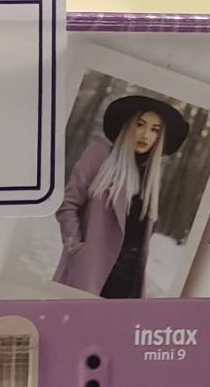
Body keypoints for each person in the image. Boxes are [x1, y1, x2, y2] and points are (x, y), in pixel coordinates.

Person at [52, 92, 190, 298]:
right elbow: (67, 205)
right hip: (91, 274)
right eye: (140, 125)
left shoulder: (149, 177)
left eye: (155, 130)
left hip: (128, 284)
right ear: (128, 126)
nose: (146, 135)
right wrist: (76, 247)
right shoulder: (100, 155)